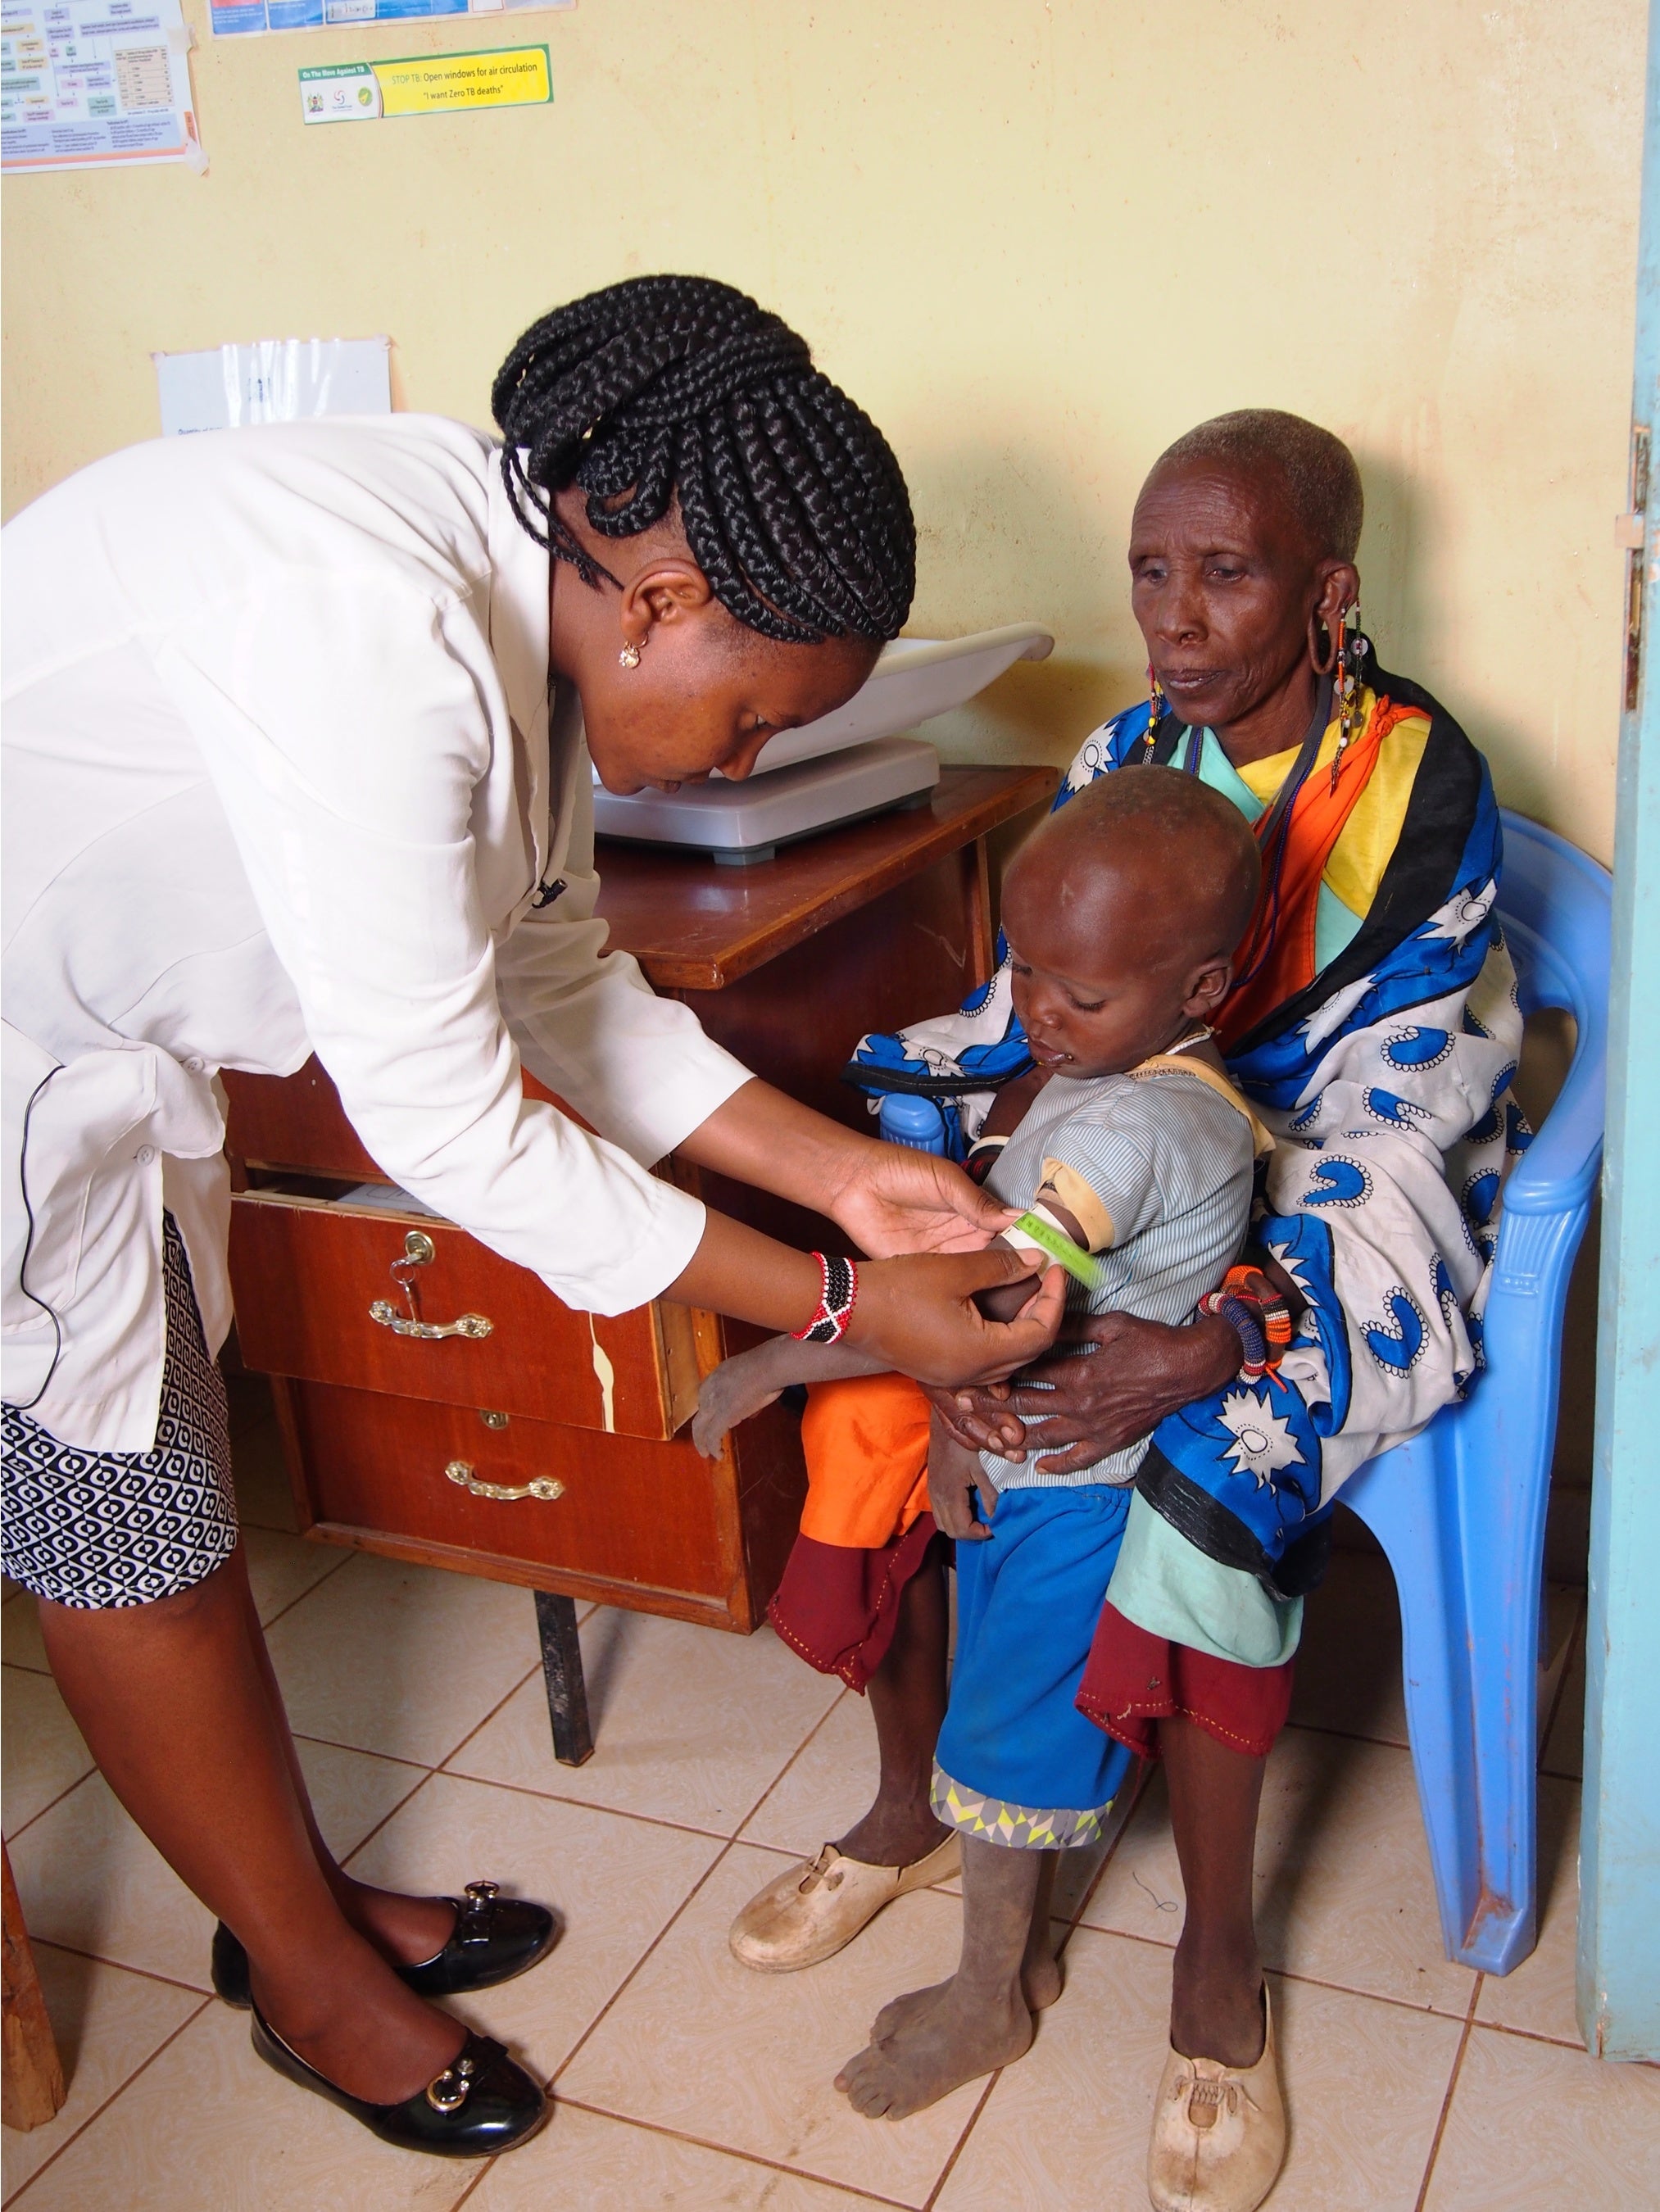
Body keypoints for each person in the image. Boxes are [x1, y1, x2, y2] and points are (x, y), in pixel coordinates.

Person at [0, 275, 1064, 2159]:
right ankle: (313, 1987)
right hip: (20, 1061)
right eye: (747, 720)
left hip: (99, 1052)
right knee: (125, 1538)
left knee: (165, 1479)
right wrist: (830, 1308)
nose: (739, 766)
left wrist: (839, 1176)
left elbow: (559, 978)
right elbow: (454, 1116)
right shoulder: (374, 640)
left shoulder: (525, 584)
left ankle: (291, 1905)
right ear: (657, 599)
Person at [721, 409, 1523, 2212]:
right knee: (868, 1399)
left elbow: (1400, 1093)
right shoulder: (1124, 745)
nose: (1171, 612)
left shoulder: (1416, 784)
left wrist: (1219, 1334)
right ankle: (918, 1801)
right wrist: (963, 1237)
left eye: (1221, 572)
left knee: (1206, 1471)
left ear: (1323, 593)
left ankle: (1215, 1961)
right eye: (1150, 568)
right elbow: (1041, 1010)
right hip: (1111, 1139)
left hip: (1322, 1169)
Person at [697, 765, 1273, 2124]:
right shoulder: (1119, 1078)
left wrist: (780, 1352)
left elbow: (984, 1307)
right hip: (1018, 1456)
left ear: (1197, 990)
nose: (1036, 1014)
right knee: (980, 1707)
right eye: (1024, 973)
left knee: (1007, 1742)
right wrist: (957, 1427)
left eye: (1080, 995)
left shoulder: (1134, 1125)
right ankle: (993, 1945)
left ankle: (990, 1994)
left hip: (1076, 1490)